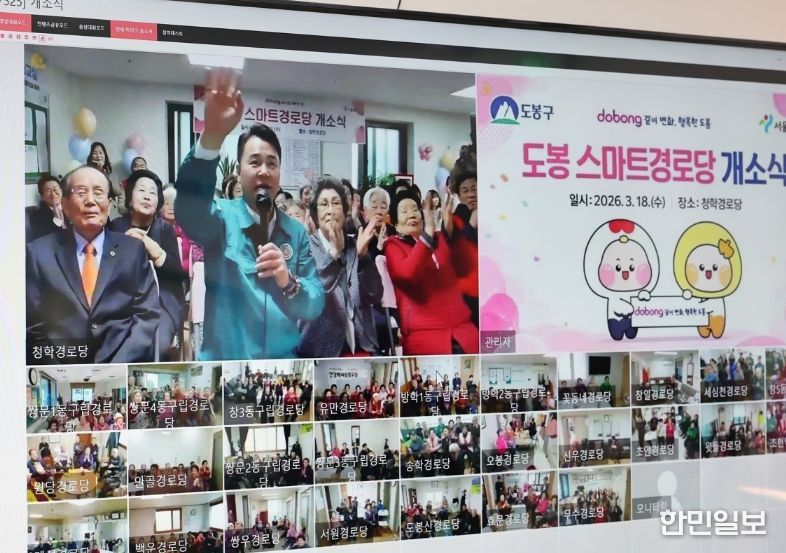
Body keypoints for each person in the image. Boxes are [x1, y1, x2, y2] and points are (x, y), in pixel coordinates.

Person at [174, 69, 324, 360]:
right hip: (227, 366)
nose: (264, 171)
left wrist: (288, 281)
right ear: (238, 171)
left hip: (281, 370)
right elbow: (189, 210)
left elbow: (315, 303)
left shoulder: (295, 232)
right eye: (254, 162)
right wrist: (212, 136)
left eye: (272, 163)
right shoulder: (221, 218)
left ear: (280, 173)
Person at [26, 165, 159, 363]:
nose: (90, 200)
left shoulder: (132, 251)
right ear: (65, 204)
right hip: (63, 367)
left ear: (109, 204)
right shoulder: (38, 253)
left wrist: (116, 368)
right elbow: (32, 327)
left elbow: (146, 316)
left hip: (121, 363)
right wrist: (62, 372)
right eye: (81, 193)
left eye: (98, 193)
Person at [385, 189, 479, 354]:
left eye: (415, 209)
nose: (411, 214)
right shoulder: (393, 245)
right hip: (424, 338)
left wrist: (451, 229)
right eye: (404, 211)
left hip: (464, 332)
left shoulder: (440, 238)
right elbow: (407, 274)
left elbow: (465, 266)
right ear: (395, 223)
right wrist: (427, 234)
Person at [298, 178, 383, 357]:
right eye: (324, 204)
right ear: (315, 214)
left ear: (345, 212)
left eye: (336, 203)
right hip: (322, 348)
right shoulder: (304, 249)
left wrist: (363, 258)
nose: (330, 210)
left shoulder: (355, 244)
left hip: (361, 343)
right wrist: (333, 255)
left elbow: (375, 295)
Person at [109, 169, 187, 360]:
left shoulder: (165, 230)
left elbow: (178, 275)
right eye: (141, 190)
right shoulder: (116, 227)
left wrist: (153, 248)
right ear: (129, 199)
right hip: (122, 302)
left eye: (152, 192)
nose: (147, 196)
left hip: (161, 302)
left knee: (157, 345)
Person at [26, 174, 68, 243]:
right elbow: (44, 239)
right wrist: (57, 221)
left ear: (61, 190)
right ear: (42, 196)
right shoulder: (36, 215)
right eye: (48, 191)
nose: (53, 193)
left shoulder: (70, 208)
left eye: (55, 189)